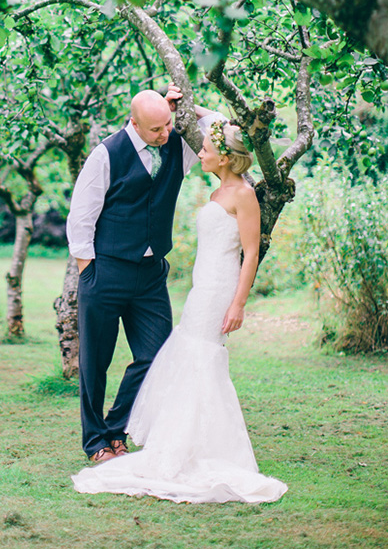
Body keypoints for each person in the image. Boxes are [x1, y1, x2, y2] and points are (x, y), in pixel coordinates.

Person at [72, 120, 288, 504]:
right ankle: (175, 441)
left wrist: (238, 302)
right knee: (185, 358)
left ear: (224, 157)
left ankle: (194, 447)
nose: (198, 152)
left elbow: (251, 252)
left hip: (218, 291)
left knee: (196, 359)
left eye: (205, 148)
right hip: (198, 288)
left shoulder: (245, 194)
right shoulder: (219, 189)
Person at [67, 85, 224, 463]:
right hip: (105, 272)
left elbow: (219, 125)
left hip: (151, 275)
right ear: (134, 123)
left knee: (156, 355)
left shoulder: (179, 145)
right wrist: (89, 271)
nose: (164, 134)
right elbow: (81, 217)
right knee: (94, 363)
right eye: (155, 129)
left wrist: (186, 105)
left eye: (168, 125)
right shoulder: (107, 154)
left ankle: (116, 427)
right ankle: (96, 443)